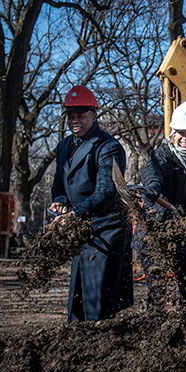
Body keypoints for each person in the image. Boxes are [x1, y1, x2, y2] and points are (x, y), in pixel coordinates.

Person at [49, 85, 133, 321]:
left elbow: (106, 192)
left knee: (98, 301)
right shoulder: (64, 146)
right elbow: (59, 182)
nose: (75, 121)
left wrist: (73, 215)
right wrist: (60, 201)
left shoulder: (109, 146)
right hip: (81, 227)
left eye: (81, 116)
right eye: (71, 116)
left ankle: (104, 345)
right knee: (78, 299)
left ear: (94, 116)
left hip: (107, 229)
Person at [136, 102, 186, 312]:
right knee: (158, 289)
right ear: (173, 133)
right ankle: (155, 329)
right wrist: (153, 187)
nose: (185, 138)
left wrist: (183, 210)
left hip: (183, 231)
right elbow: (153, 171)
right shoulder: (162, 154)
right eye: (181, 133)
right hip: (155, 231)